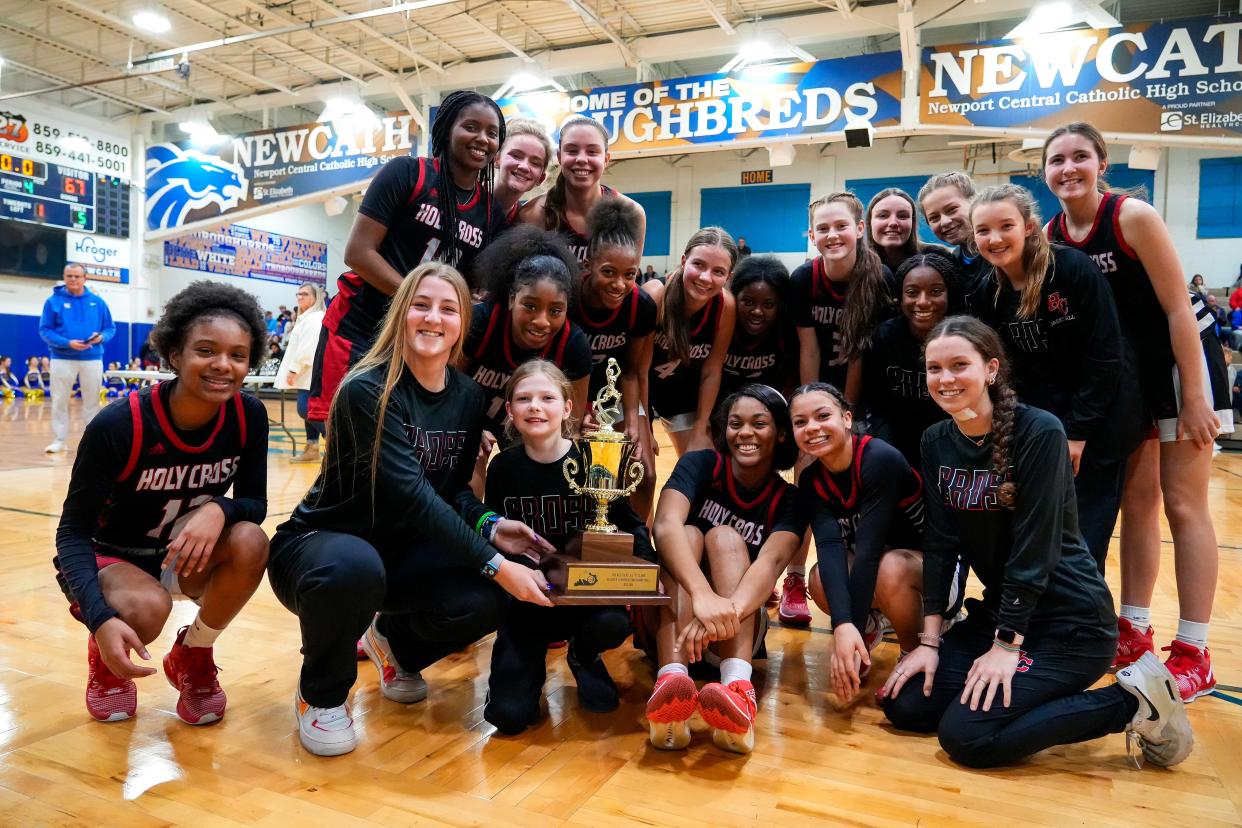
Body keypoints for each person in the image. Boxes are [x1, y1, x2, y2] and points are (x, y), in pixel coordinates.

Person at [878, 315, 1193, 771]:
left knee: (967, 738)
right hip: (999, 613)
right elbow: (942, 543)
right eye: (934, 368)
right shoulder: (935, 440)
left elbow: (1035, 548)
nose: (945, 379)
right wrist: (929, 641)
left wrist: (1006, 647)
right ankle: (1015, 692)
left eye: (958, 365)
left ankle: (1133, 702)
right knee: (907, 705)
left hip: (1070, 626)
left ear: (990, 368)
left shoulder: (1040, 431)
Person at [267, 262, 556, 757]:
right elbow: (413, 496)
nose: (433, 318)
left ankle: (395, 644)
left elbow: (454, 493)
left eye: (448, 308)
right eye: (421, 305)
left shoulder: (468, 396)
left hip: (402, 556)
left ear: (463, 323)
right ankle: (320, 694)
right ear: (401, 313)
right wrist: (493, 561)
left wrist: (491, 525)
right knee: (360, 568)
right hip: (322, 552)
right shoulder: (367, 389)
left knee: (493, 594)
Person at [1044, 122, 1233, 698]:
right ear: (1044, 172)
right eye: (1057, 160)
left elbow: (1180, 310)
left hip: (1182, 364)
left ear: (1102, 162)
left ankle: (1196, 649)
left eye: (1081, 156)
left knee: (1183, 503)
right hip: (1131, 376)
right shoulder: (1052, 234)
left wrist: (1197, 397)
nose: (1069, 168)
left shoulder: (1131, 218)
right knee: (1138, 501)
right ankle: (1136, 629)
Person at [52, 281, 271, 725]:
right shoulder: (120, 424)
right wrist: (98, 618)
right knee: (149, 608)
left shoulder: (248, 415)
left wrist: (220, 509)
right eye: (206, 350)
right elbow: (71, 533)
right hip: (114, 559)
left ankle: (193, 654)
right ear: (174, 354)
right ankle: (107, 659)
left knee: (250, 540)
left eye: (238, 355)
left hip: (184, 556)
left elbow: (253, 502)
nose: (223, 365)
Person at [967, 183, 1145, 573]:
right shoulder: (985, 290)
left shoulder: (1071, 269)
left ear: (1029, 227)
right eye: (983, 230)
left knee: (1081, 536)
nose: (994, 239)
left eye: (1005, 226)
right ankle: (1029, 624)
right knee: (1029, 532)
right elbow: (1004, 371)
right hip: (1040, 423)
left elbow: (1105, 356)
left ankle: (1082, 628)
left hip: (1097, 423)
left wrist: (1078, 432)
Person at [306, 90, 509, 426]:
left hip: (420, 341)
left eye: (492, 133)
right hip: (360, 326)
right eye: (471, 126)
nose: (482, 138)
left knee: (401, 444)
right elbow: (358, 253)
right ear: (446, 129)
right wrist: (419, 299)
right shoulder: (407, 174)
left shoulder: (490, 213)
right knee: (347, 444)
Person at [481, 360, 654, 734]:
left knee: (613, 622)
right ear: (509, 410)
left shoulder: (593, 459)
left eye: (547, 397)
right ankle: (527, 669)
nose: (535, 406)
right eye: (523, 399)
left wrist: (647, 571)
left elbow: (630, 524)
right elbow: (493, 536)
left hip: (583, 600)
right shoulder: (503, 469)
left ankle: (583, 654)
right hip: (528, 600)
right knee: (508, 717)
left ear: (568, 408)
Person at [644, 384, 803, 754]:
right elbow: (664, 525)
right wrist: (701, 596)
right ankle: (671, 689)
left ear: (780, 432)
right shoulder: (700, 464)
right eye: (735, 424)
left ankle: (738, 688)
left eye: (758, 423)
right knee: (685, 533)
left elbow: (772, 563)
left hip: (736, 623)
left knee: (725, 538)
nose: (744, 433)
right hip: (675, 624)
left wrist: (719, 611)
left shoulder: (790, 499)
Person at [791, 383, 936, 699]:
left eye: (822, 416)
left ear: (846, 418)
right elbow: (830, 547)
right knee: (818, 579)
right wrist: (843, 626)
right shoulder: (811, 480)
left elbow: (869, 553)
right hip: (880, 567)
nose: (812, 427)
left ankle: (911, 652)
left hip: (934, 570)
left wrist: (847, 626)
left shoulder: (878, 458)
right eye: (800, 422)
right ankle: (869, 631)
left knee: (890, 567)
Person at [461, 226, 592, 448]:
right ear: (512, 299)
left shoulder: (572, 344)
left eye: (555, 310)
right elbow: (447, 390)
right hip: (469, 419)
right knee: (471, 472)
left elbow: (570, 429)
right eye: (530, 306)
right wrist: (466, 429)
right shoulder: (480, 323)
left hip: (526, 428)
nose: (542, 321)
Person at [572, 198, 658, 515]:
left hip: (616, 394)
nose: (619, 284)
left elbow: (633, 372)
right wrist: (579, 410)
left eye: (630, 274)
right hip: (568, 390)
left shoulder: (642, 306)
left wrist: (634, 425)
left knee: (644, 473)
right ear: (588, 266)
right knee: (576, 466)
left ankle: (636, 544)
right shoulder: (568, 298)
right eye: (609, 272)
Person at [855, 252, 961, 467]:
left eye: (936, 292)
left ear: (950, 294)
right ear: (900, 297)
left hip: (952, 437)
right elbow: (877, 404)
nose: (923, 302)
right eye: (912, 292)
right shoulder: (884, 337)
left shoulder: (965, 337)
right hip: (897, 438)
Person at [643, 227, 738, 456]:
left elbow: (712, 371)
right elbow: (637, 369)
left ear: (729, 277)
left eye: (718, 271)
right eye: (699, 265)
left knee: (701, 463)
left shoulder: (725, 306)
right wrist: (644, 425)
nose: (706, 277)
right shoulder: (656, 295)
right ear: (684, 261)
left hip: (681, 395)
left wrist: (699, 429)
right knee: (643, 471)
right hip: (639, 390)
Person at [520, 115, 646, 265]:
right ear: (559, 157)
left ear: (606, 159)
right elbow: (522, 282)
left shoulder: (632, 213)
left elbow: (627, 281)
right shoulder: (533, 213)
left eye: (592, 152)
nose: (581, 159)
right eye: (572, 151)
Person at [38, 263, 115, 453]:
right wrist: (67, 343)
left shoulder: (98, 302)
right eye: (69, 276)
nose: (73, 279)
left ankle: (92, 441)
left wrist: (102, 338)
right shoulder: (52, 302)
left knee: (92, 401)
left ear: (85, 278)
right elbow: (45, 330)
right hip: (62, 358)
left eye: (77, 276)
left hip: (92, 358)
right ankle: (59, 440)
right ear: (64, 277)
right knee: (59, 400)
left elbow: (110, 328)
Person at [721, 255, 797, 400]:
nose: (757, 311)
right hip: (721, 409)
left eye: (768, 305)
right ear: (734, 296)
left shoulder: (786, 331)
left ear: (780, 305)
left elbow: (789, 383)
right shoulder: (721, 323)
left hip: (769, 409)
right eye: (748, 302)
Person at [276, 283, 328, 464]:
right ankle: (312, 449)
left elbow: (308, 349)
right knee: (309, 412)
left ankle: (337, 443)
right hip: (307, 374)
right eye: (298, 294)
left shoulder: (315, 318)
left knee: (305, 409)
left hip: (310, 373)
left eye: (305, 294)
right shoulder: (306, 317)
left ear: (316, 297)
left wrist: (294, 369)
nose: (300, 297)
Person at [917, 172, 988, 290]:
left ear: (975, 202)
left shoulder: (997, 251)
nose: (944, 222)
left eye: (952, 209)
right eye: (934, 218)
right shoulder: (953, 260)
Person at [492, 117, 552, 217]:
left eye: (535, 163)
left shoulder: (524, 222)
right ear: (496, 159)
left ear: (541, 178)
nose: (524, 166)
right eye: (516, 156)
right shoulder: (462, 198)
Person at [866, 188, 924, 273]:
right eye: (883, 216)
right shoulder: (854, 264)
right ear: (869, 222)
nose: (893, 223)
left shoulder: (935, 256)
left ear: (913, 222)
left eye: (902, 216)